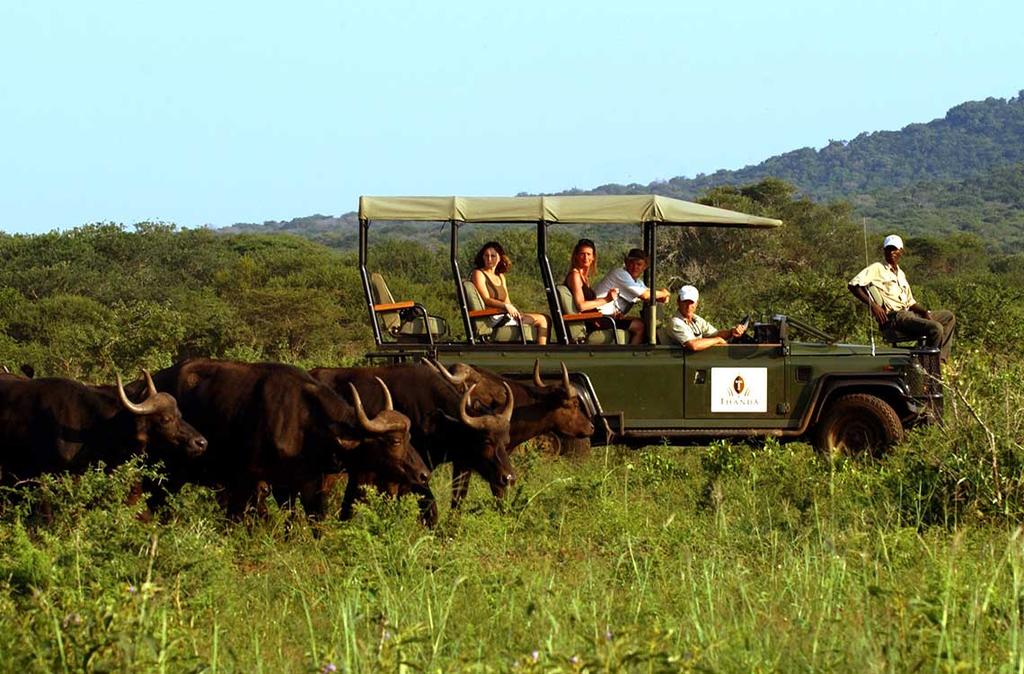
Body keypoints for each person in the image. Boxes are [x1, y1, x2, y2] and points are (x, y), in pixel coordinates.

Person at [848, 234, 955, 362]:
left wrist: (924, 312)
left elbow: (910, 302)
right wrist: (873, 306)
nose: (892, 252)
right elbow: (853, 285)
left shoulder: (901, 274)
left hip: (909, 314)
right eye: (889, 249)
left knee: (948, 316)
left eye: (895, 249)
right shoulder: (877, 268)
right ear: (884, 251)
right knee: (936, 328)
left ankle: (940, 360)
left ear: (901, 252)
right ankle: (928, 365)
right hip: (896, 317)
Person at [471, 241, 550, 344]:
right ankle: (542, 355)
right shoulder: (478, 273)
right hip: (493, 316)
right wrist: (505, 306)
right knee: (542, 320)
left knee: (546, 318)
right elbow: (486, 299)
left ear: (500, 258)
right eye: (486, 256)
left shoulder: (501, 276)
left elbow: (507, 300)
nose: (489, 259)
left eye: (493, 256)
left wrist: (516, 312)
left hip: (504, 314)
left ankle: (538, 352)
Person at [593, 248, 670, 345]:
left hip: (611, 317)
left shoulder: (637, 282)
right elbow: (646, 295)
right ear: (626, 262)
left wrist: (662, 295)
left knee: (642, 322)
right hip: (599, 317)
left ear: (645, 266)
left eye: (639, 264)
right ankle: (632, 356)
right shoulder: (620, 274)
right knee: (639, 326)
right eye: (631, 263)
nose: (634, 267)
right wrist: (664, 293)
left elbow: (657, 297)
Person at [669, 285, 747, 351]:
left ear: (696, 304)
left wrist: (732, 332)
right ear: (678, 302)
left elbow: (715, 333)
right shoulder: (676, 322)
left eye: (691, 302)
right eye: (685, 302)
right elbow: (693, 345)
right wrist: (717, 340)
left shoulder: (695, 319)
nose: (689, 306)